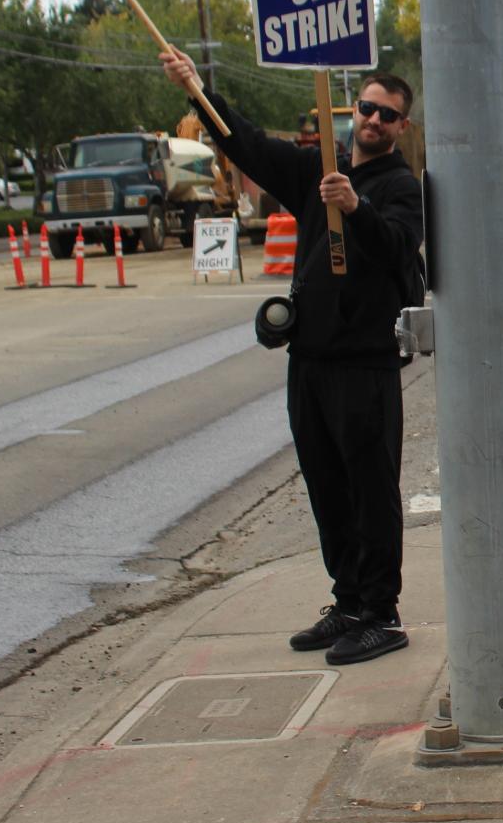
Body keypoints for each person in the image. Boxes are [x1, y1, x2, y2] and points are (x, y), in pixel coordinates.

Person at [160, 49, 423, 666]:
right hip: (309, 358)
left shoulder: (400, 187)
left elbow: (398, 249)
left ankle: (382, 613)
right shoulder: (316, 170)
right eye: (366, 108)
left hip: (366, 363)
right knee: (326, 485)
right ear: (351, 110)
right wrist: (199, 90)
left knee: (370, 487)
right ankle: (350, 602)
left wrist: (355, 208)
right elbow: (247, 145)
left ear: (401, 127)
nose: (374, 121)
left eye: (388, 115)